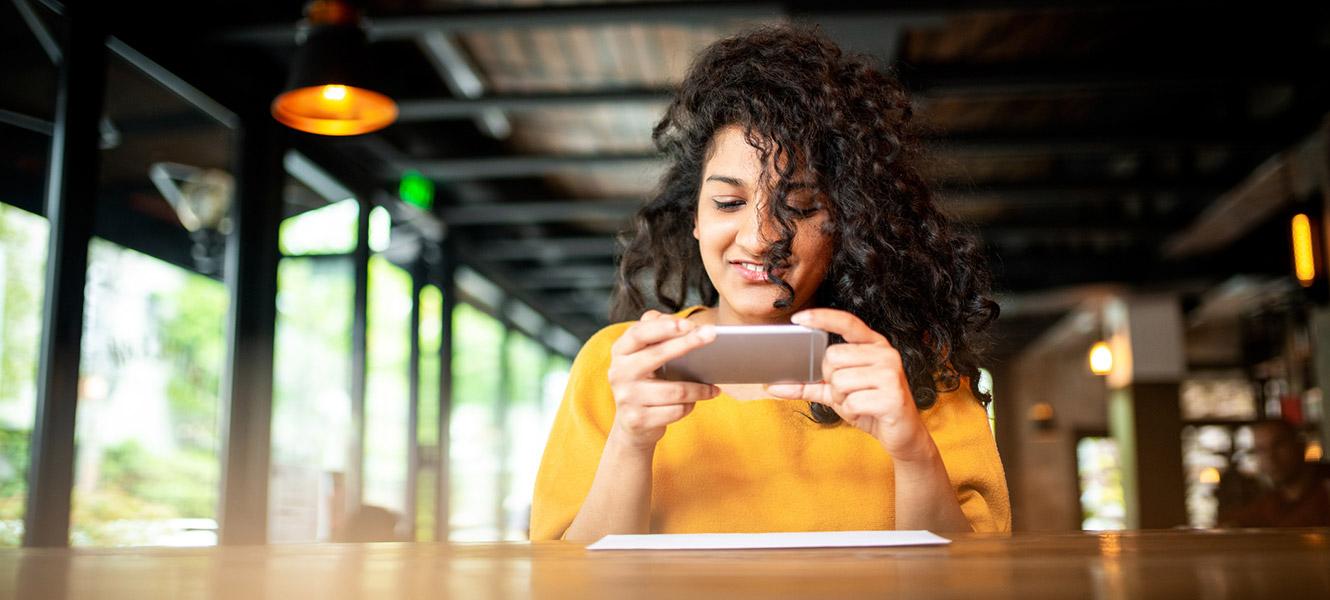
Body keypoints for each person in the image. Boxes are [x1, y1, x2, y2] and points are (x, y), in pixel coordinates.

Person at [531, 25, 1009, 542]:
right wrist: (630, 439)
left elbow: (975, 576)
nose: (761, 239)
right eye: (728, 202)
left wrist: (913, 451)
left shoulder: (918, 372)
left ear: (847, 221)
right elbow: (566, 577)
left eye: (800, 208)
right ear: (694, 217)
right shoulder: (616, 366)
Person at [1222, 420, 1330, 528]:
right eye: (1261, 450)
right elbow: (1241, 520)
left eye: (1278, 445)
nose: (1270, 457)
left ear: (1300, 446)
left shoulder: (1324, 488)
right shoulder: (1274, 500)